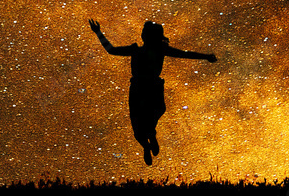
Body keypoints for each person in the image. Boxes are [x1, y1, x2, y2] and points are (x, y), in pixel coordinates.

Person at [89, 19, 216, 165]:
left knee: (140, 121)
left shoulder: (139, 50)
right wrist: (205, 57)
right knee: (151, 114)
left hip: (140, 88)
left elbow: (111, 50)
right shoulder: (154, 49)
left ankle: (148, 140)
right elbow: (184, 54)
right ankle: (149, 140)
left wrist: (98, 32)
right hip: (149, 86)